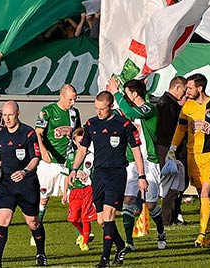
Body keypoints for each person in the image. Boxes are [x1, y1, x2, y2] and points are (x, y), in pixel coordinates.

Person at [69, 92, 146, 268]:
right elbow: (82, 149)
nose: (99, 112)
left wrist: (142, 176)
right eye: (96, 109)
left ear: (111, 107)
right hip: (99, 175)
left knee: (110, 215)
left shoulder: (124, 125)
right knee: (102, 220)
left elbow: (136, 151)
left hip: (117, 174)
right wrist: (74, 169)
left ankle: (104, 259)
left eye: (102, 109)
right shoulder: (91, 124)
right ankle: (120, 246)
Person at [168, 73, 210, 248]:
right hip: (193, 156)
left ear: (200, 88)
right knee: (201, 196)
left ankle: (202, 234)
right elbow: (181, 129)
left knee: (205, 193)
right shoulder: (187, 107)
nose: (186, 91)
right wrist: (173, 148)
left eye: (189, 88)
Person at [0, 101, 46, 268]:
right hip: (6, 185)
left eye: (10, 115)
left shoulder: (28, 133)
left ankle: (40, 252)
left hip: (27, 185)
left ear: (18, 113)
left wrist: (24, 171)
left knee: (33, 221)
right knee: (3, 218)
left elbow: (35, 159)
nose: (7, 118)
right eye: (4, 115)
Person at [108, 77, 166, 250]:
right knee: (128, 200)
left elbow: (133, 113)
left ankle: (161, 231)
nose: (124, 97)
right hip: (132, 162)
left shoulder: (148, 109)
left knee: (150, 204)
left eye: (127, 94)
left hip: (150, 162)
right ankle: (129, 243)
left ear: (134, 94)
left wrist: (116, 93)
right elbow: (117, 114)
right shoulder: (127, 110)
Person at [34, 85, 81, 242]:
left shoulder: (74, 113)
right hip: (49, 163)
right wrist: (42, 150)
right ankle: (36, 231)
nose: (72, 102)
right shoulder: (47, 111)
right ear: (61, 96)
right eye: (70, 99)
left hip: (67, 162)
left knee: (72, 196)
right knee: (43, 197)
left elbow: (77, 135)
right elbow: (38, 133)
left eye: (75, 99)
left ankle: (81, 235)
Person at [154, 76, 187, 228]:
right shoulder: (167, 105)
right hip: (167, 148)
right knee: (171, 183)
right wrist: (174, 148)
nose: (185, 94)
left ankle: (173, 215)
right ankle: (167, 218)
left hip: (168, 148)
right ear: (177, 88)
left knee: (178, 182)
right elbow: (169, 130)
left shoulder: (167, 103)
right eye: (184, 90)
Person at [62, 127, 96, 252]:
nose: (82, 144)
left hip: (87, 189)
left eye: (84, 141)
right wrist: (65, 193)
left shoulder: (92, 156)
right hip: (74, 190)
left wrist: (88, 177)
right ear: (75, 142)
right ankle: (82, 234)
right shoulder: (71, 157)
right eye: (79, 142)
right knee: (73, 218)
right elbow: (66, 176)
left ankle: (85, 242)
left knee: (85, 216)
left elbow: (95, 174)